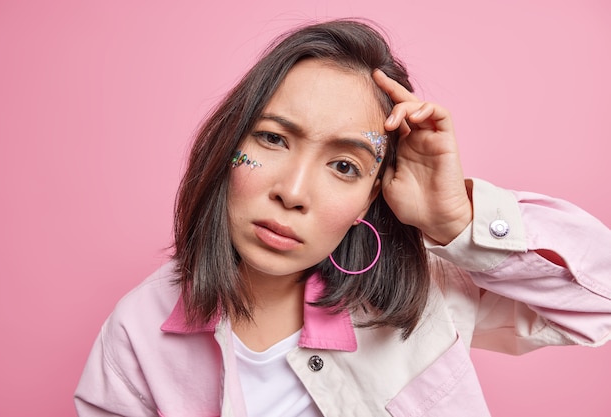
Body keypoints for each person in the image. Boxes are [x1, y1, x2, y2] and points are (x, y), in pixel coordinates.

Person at [74, 19, 611, 416]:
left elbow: (598, 304)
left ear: (370, 198)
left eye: (344, 165)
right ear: (228, 144)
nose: (293, 192)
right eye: (272, 138)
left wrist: (457, 220)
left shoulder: (424, 292)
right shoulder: (138, 332)